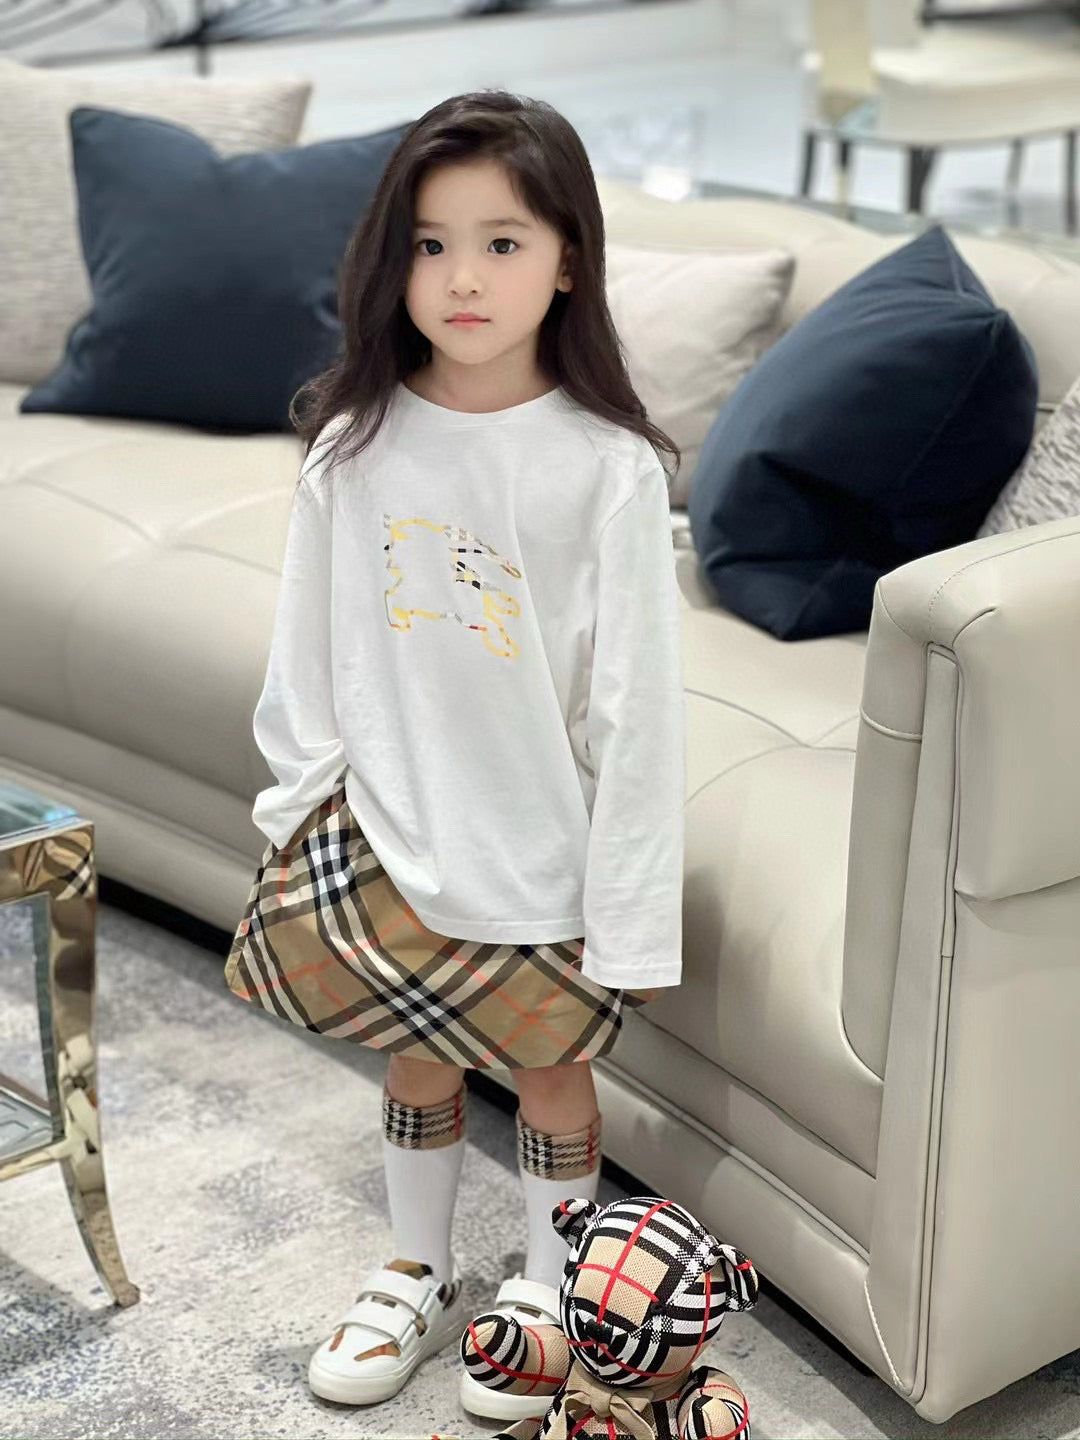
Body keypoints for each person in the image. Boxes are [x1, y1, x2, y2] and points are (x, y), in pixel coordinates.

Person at [223, 87, 686, 1424]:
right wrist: (301, 814)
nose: (462, 278)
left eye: (501, 242)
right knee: (414, 1055)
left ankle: (546, 1286)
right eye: (430, 244)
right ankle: (416, 1271)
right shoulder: (354, 446)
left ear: (569, 261)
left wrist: (629, 906)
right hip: (386, 825)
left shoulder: (607, 468)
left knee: (551, 1072)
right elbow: (305, 657)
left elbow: (637, 713)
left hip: (539, 841)